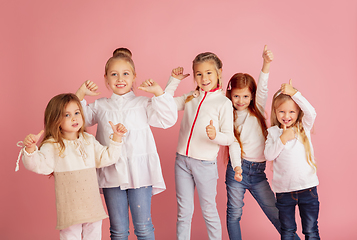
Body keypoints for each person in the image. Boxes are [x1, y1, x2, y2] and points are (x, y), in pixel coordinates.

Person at [75, 50, 177, 240]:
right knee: (118, 230)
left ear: (134, 77)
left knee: (144, 227)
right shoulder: (101, 106)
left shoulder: (143, 103)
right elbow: (79, 120)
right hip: (111, 173)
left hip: (140, 175)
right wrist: (81, 94)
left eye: (125, 74)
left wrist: (158, 93)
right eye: (114, 74)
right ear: (106, 78)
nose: (120, 79)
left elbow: (167, 119)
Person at [17, 93, 127, 240]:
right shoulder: (53, 145)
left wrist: (117, 138)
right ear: (55, 120)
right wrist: (30, 149)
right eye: (67, 115)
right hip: (69, 207)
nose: (74, 118)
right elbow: (38, 165)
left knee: (94, 235)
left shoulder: (88, 140)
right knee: (70, 236)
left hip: (91, 204)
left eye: (76, 113)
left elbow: (107, 158)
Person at [223, 45, 296, 240]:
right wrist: (237, 168)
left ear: (252, 96)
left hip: (257, 172)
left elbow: (263, 86)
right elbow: (233, 144)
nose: (241, 100)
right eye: (236, 96)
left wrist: (266, 63)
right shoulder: (227, 116)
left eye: (245, 96)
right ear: (229, 94)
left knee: (275, 213)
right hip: (237, 170)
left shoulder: (257, 108)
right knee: (234, 214)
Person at [166, 52, 235, 240]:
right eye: (198, 74)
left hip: (205, 164)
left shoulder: (224, 103)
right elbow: (165, 105)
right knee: (184, 212)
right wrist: (173, 81)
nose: (204, 78)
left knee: (209, 211)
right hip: (182, 161)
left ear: (219, 72)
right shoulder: (191, 97)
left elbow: (229, 138)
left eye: (209, 73)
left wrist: (215, 136)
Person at [264, 80, 320, 240]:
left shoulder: (303, 127)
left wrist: (294, 93)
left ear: (298, 112)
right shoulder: (273, 132)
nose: (286, 116)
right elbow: (268, 155)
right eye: (281, 112)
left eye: (291, 112)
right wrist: (282, 139)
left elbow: (312, 113)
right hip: (284, 192)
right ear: (275, 112)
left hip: (307, 189)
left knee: (311, 231)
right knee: (287, 231)